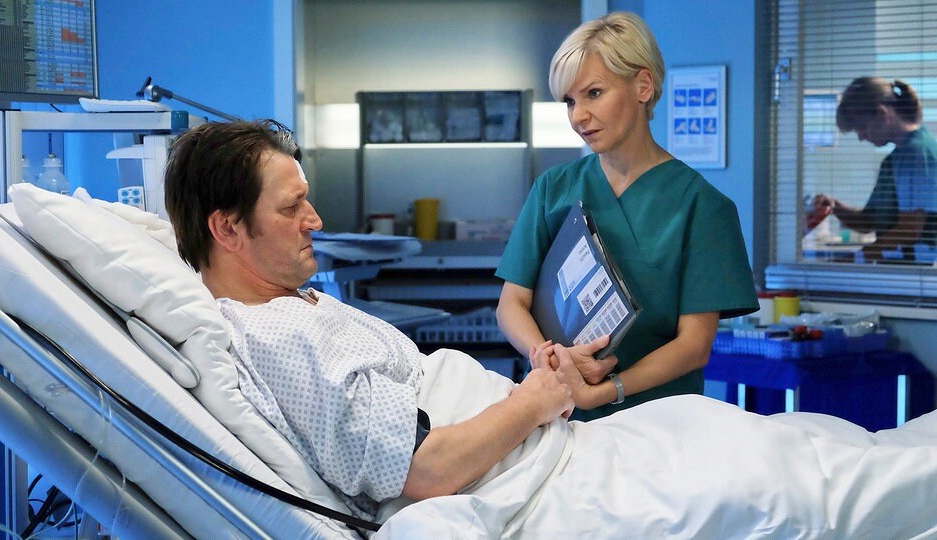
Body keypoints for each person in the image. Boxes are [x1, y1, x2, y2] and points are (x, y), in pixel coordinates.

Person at [163, 118, 937, 538]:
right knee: (797, 485)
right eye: (291, 206)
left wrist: (550, 387)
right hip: (536, 476)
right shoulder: (275, 337)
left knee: (795, 444)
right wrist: (538, 397)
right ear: (227, 228)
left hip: (555, 438)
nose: (315, 219)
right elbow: (422, 472)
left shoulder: (302, 305)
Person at [495, 12, 758, 420]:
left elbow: (694, 345)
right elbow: (512, 303)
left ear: (643, 86)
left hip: (658, 423)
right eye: (570, 101)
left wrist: (607, 391)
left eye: (594, 93)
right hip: (556, 412)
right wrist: (548, 358)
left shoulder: (702, 206)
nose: (578, 116)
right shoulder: (553, 189)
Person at [809, 77, 937, 262]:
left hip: (917, 271)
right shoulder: (894, 160)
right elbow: (868, 222)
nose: (861, 137)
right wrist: (835, 207)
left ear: (882, 114)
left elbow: (909, 230)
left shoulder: (917, 155)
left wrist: (851, 260)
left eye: (862, 127)